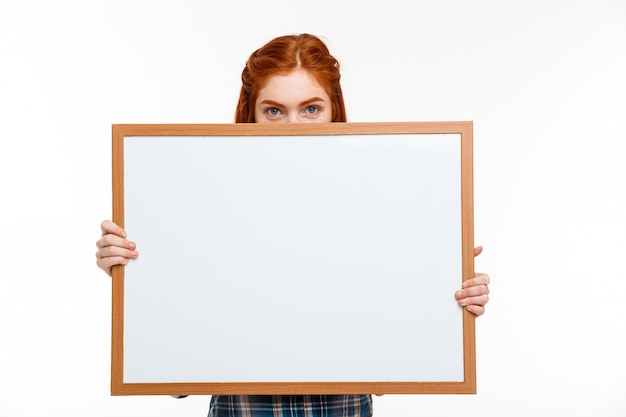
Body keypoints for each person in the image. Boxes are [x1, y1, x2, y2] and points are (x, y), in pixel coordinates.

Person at [95, 33, 490, 417]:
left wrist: (443, 300)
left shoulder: (378, 209)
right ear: (249, 113)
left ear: (335, 110)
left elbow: (388, 371)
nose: (294, 124)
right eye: (274, 110)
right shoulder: (201, 207)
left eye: (311, 108)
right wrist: (136, 278)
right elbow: (177, 379)